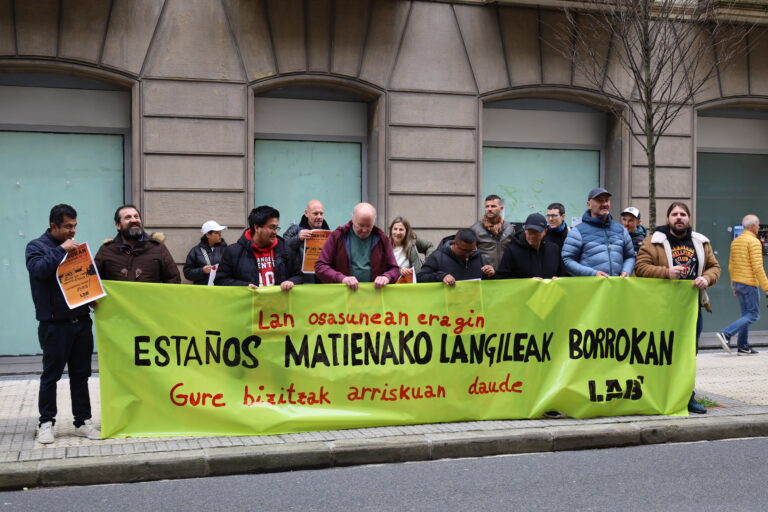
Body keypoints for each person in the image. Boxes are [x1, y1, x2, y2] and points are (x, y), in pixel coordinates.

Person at [634, 202, 720, 414]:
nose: (679, 217)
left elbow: (714, 267)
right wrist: (666, 272)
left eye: (683, 214)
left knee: (689, 355)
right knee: (661, 353)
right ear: (668, 219)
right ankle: (659, 397)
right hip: (661, 309)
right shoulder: (653, 242)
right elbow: (640, 267)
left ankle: (687, 397)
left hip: (691, 309)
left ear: (688, 218)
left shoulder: (701, 242)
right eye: (675, 214)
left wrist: (706, 279)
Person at [25, 204, 100, 444]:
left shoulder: (76, 248)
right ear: (53, 226)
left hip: (81, 322)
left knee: (81, 375)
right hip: (54, 325)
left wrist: (93, 297)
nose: (72, 231)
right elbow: (38, 271)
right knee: (51, 376)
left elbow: (82, 279)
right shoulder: (36, 247)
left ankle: (82, 422)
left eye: (75, 226)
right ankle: (46, 423)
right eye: (67, 226)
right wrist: (61, 250)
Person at [715, 214, 768, 355]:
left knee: (746, 314)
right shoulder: (754, 242)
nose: (758, 227)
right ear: (752, 226)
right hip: (749, 283)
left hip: (739, 282)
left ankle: (743, 346)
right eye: (757, 225)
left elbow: (731, 266)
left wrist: (733, 285)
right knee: (753, 315)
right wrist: (767, 287)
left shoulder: (736, 241)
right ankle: (726, 333)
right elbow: (758, 267)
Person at [315, 202, 399, 290]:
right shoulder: (337, 236)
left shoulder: (382, 238)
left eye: (369, 225)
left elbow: (395, 269)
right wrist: (342, 278)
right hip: (344, 295)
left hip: (374, 296)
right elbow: (320, 266)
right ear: (353, 219)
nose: (364, 230)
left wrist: (386, 277)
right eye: (361, 225)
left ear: (374, 220)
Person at [215, 205, 302, 290]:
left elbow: (299, 275)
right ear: (256, 227)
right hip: (249, 303)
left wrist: (291, 281)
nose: (275, 232)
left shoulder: (285, 248)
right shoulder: (233, 251)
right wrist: (245, 286)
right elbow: (220, 281)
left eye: (276, 227)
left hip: (279, 303)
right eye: (272, 227)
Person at [95, 205, 181, 283]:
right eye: (128, 217)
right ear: (118, 225)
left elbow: (173, 280)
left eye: (136, 216)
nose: (134, 220)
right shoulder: (106, 250)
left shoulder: (158, 248)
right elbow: (93, 282)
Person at [562, 188, 635, 277]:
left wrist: (626, 270)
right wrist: (592, 273)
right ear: (589, 204)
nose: (604, 204)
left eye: (606, 200)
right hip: (591, 289)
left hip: (617, 288)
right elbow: (567, 260)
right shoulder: (577, 232)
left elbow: (630, 256)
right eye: (599, 200)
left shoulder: (621, 230)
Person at [496, 213, 564, 279]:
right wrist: (528, 283)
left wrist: (558, 279)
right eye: (529, 231)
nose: (532, 235)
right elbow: (502, 278)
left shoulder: (554, 250)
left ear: (545, 232)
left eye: (537, 232)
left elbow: (564, 274)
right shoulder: (511, 251)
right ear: (525, 230)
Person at [417, 229, 495, 285]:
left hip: (473, 306)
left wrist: (491, 274)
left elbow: (488, 284)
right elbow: (420, 278)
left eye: (472, 250)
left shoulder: (480, 257)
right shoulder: (437, 256)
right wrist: (441, 277)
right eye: (464, 250)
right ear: (454, 243)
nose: (468, 254)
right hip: (445, 305)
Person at [283, 200, 330, 284]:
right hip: (300, 280)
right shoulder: (295, 230)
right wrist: (298, 238)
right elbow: (283, 247)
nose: (319, 217)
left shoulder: (329, 234)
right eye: (315, 213)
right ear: (306, 213)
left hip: (323, 281)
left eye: (321, 213)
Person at [469, 194, 516, 270]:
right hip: (484, 273)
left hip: (505, 274)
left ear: (501, 208)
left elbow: (514, 252)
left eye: (493, 206)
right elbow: (469, 253)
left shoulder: (509, 228)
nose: (489, 209)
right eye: (487, 206)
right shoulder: (476, 229)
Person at [183, 220, 228, 285]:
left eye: (220, 232)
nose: (220, 235)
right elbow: (187, 273)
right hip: (203, 292)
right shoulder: (195, 251)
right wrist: (202, 271)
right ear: (208, 235)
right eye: (216, 233)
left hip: (221, 290)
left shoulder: (226, 250)